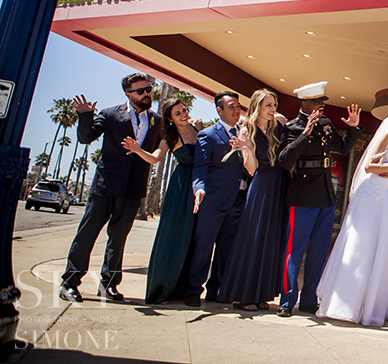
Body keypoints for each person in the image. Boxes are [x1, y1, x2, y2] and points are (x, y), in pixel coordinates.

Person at [316, 97, 388, 326]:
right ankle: (347, 302)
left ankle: (377, 304)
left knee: (387, 250)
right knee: (361, 247)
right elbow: (369, 167)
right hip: (374, 196)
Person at [60, 73, 164, 303]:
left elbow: (157, 151)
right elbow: (86, 138)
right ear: (128, 94)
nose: (146, 94)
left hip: (133, 189)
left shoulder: (157, 121)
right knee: (87, 234)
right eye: (140, 91)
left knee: (118, 239)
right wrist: (85, 115)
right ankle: (70, 282)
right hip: (105, 186)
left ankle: (109, 285)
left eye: (148, 90)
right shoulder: (109, 114)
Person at [276, 81, 363, 317]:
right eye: (317, 103)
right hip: (302, 194)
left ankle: (308, 299)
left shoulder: (325, 125)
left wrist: (353, 129)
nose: (321, 107)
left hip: (325, 194)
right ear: (305, 103)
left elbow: (343, 149)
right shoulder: (292, 128)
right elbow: (284, 161)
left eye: (322, 102)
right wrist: (304, 135)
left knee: (319, 250)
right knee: (294, 250)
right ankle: (287, 300)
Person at [221, 89, 290, 311]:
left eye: (274, 105)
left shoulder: (278, 125)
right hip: (262, 186)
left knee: (271, 240)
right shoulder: (246, 130)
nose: (273, 109)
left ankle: (263, 295)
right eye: (268, 105)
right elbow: (251, 169)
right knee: (255, 238)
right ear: (257, 106)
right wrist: (249, 150)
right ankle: (245, 296)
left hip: (281, 185)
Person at [185, 91, 255, 307]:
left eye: (238, 107)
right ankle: (193, 290)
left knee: (226, 250)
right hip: (213, 202)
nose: (237, 111)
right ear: (219, 110)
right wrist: (199, 189)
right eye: (231, 107)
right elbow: (200, 169)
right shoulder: (208, 135)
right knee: (204, 248)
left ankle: (216, 290)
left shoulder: (244, 134)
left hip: (237, 202)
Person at [145, 97, 204, 304]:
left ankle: (185, 288)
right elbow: (154, 158)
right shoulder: (169, 137)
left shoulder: (198, 126)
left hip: (201, 185)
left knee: (194, 237)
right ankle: (162, 286)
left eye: (184, 109)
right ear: (170, 119)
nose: (184, 114)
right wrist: (136, 150)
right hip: (181, 188)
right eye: (178, 113)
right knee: (175, 234)